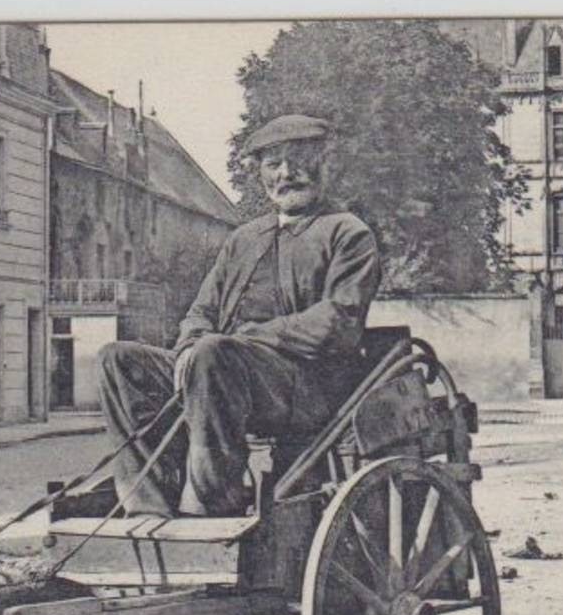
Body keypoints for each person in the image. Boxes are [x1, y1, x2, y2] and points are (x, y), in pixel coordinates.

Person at [98, 114, 383, 516]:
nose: (287, 173)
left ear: (326, 163)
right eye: (273, 164)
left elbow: (336, 325)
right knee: (118, 360)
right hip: (218, 373)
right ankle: (148, 506)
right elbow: (202, 311)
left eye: (300, 159)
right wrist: (186, 350)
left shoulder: (347, 234)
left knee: (215, 353)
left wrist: (241, 341)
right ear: (261, 175)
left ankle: (214, 499)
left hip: (306, 387)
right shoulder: (244, 239)